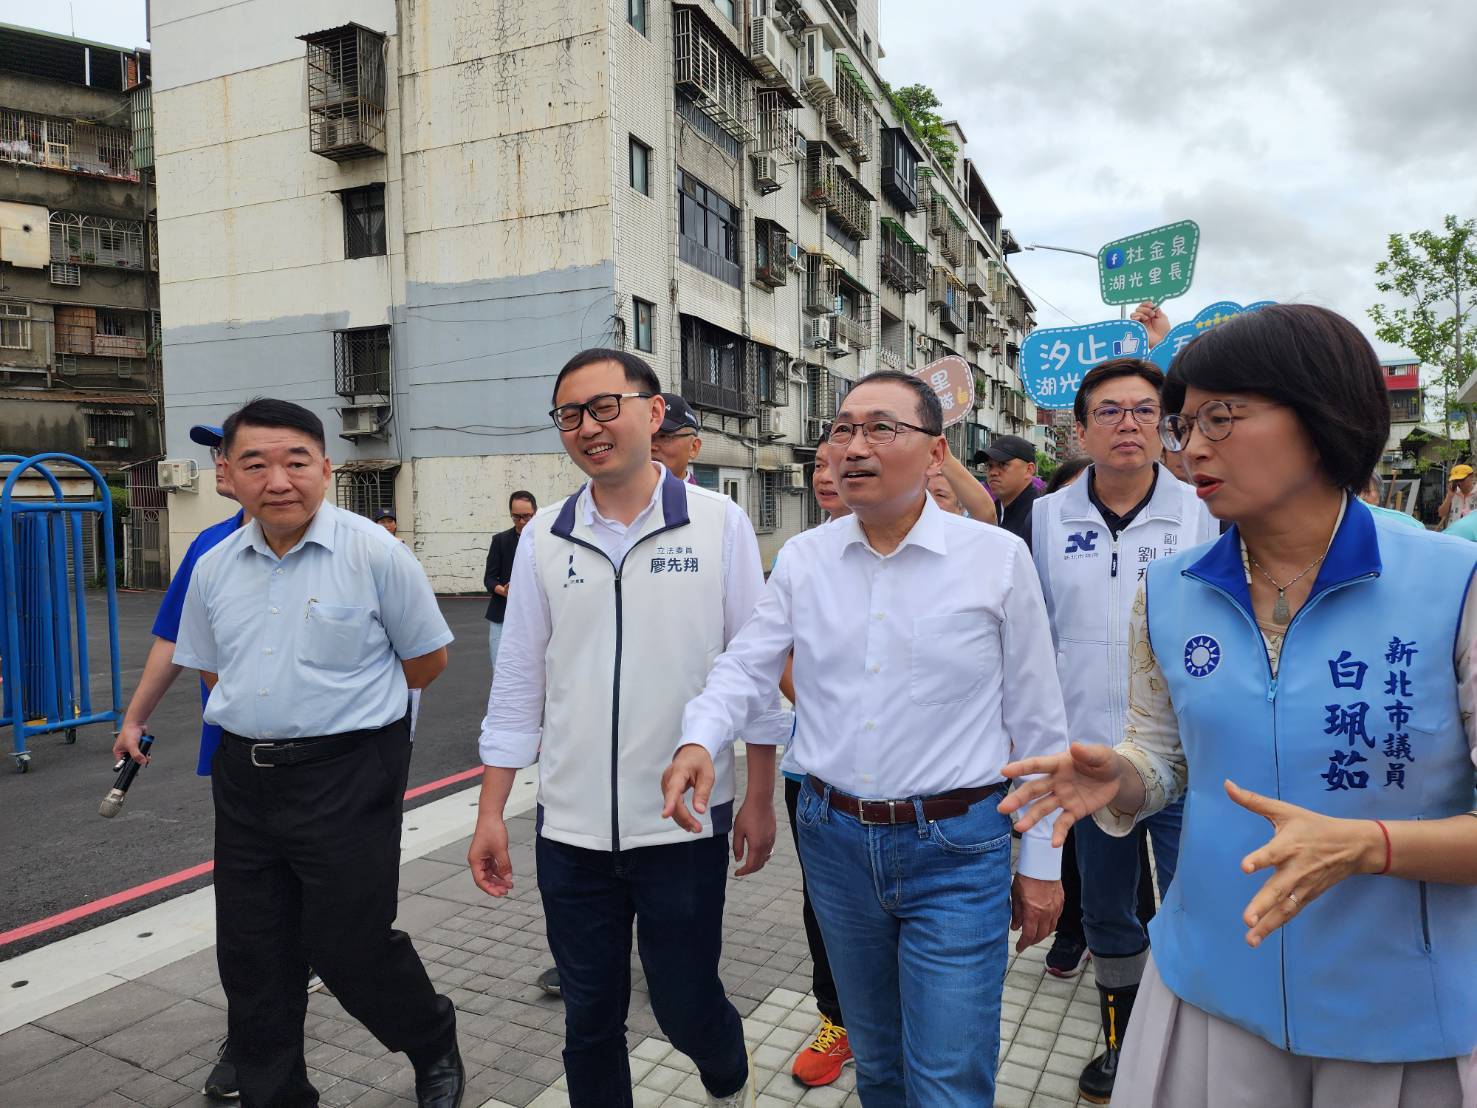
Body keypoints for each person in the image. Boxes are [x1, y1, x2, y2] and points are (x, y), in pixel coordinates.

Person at [1001, 304, 1477, 1107]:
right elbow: (1164, 757)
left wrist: (1372, 845)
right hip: (1208, 987)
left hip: (1401, 1009)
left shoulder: (1452, 585)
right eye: (1184, 425)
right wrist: (1115, 776)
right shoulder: (1167, 592)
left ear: (1322, 412)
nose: (1189, 447)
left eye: (1220, 417)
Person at [664, 370, 1070, 1104]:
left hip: (957, 846)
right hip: (835, 843)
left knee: (947, 1078)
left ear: (935, 451)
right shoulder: (804, 560)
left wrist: (1042, 862)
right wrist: (699, 739)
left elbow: (1039, 721)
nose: (852, 446)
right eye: (841, 429)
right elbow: (745, 666)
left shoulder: (995, 559)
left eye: (879, 428)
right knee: (879, 1065)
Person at [467, 349, 787, 1107]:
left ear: (651, 411)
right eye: (570, 414)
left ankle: (727, 1080)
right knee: (588, 1019)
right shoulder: (545, 534)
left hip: (680, 826)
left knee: (683, 1004)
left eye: (604, 406)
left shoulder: (717, 524)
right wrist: (489, 812)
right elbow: (518, 683)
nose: (587, 427)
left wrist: (759, 795)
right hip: (570, 831)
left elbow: (755, 664)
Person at [172, 398, 461, 1108]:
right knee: (251, 952)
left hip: (348, 775)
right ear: (226, 475)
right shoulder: (211, 566)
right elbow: (216, 673)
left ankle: (430, 1040)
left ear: (326, 468)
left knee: (348, 945)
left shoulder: (374, 553)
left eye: (296, 461)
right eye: (256, 463)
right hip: (245, 780)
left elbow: (426, 662)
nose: (279, 479)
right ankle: (277, 1094)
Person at [1030, 358, 1218, 1103]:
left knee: (1189, 902)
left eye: (1145, 410)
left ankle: (1193, 1045)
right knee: (1107, 911)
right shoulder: (1046, 516)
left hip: (1185, 757)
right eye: (1108, 411)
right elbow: (1033, 636)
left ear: (1166, 426)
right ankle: (1122, 1039)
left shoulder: (1203, 509)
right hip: (1087, 760)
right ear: (1079, 430)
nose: (1128, 424)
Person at [779, 436, 854, 1087]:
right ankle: (838, 1020)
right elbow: (773, 656)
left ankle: (893, 1015)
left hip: (908, 790)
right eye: (818, 467)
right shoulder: (799, 558)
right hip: (811, 773)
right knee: (822, 904)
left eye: (839, 464)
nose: (825, 476)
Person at [484, 490, 537, 671]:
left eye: (526, 517)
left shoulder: (546, 539)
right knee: (500, 666)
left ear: (535, 513)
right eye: (516, 517)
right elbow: (489, 579)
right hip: (502, 614)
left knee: (534, 668)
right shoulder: (500, 540)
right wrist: (504, 591)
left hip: (535, 614)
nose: (521, 522)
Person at [983, 433, 1042, 548]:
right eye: (990, 466)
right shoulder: (991, 511)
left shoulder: (1040, 515)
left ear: (1029, 470)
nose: (993, 472)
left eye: (1003, 464)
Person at [651, 392, 702, 482]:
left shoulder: (700, 496)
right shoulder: (621, 494)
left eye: (663, 436)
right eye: (646, 436)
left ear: (693, 448)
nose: (651, 446)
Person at [1438, 463, 1476, 529]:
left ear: (1471, 477)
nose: (1459, 483)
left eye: (1461, 479)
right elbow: (1441, 514)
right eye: (1456, 480)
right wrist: (1449, 496)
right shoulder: (1453, 493)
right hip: (1453, 534)